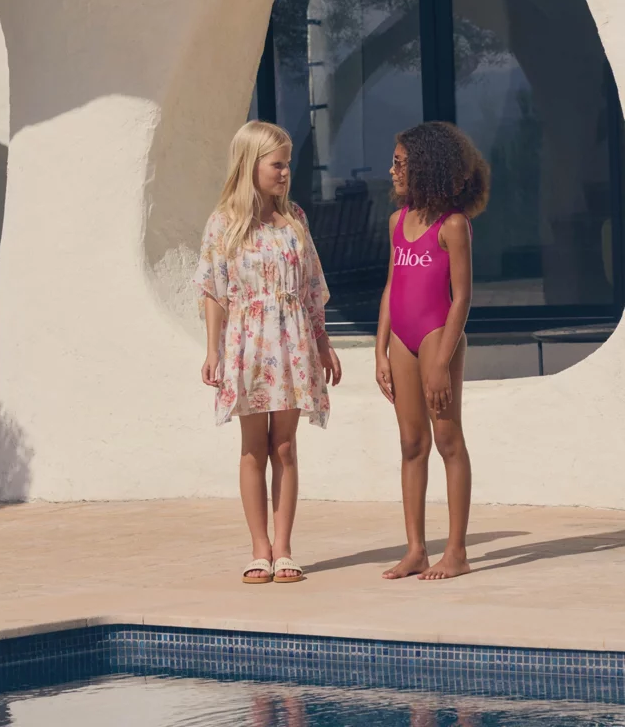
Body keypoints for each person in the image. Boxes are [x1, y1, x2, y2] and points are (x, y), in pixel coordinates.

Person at [194, 120, 341, 585]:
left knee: (285, 446)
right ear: (250, 164)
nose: (285, 172)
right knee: (254, 447)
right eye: (277, 164)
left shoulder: (295, 218)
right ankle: (259, 548)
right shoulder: (224, 223)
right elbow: (213, 290)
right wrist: (213, 350)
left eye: (288, 164)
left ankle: (284, 548)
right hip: (248, 344)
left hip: (293, 341)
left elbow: (312, 286)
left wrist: (323, 343)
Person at [375, 122, 489, 580]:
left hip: (437, 336)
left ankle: (456, 552)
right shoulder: (396, 221)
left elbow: (462, 298)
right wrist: (380, 351)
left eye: (400, 164)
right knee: (411, 444)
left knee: (447, 440)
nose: (392, 171)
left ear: (426, 166)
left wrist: (441, 361)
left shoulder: (453, 226)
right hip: (401, 338)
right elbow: (391, 287)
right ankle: (416, 550)